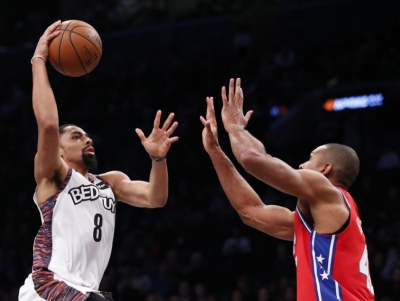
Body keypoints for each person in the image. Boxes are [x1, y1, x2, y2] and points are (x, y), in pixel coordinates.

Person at [19, 21, 179, 301]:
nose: (88, 140)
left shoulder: (111, 183)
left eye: (88, 136)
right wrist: (39, 59)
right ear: (58, 150)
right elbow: (47, 124)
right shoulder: (54, 176)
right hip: (49, 285)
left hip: (84, 290)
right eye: (77, 136)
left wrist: (157, 158)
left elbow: (156, 197)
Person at [200, 78, 375, 300]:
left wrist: (234, 128)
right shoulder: (320, 224)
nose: (302, 165)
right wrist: (215, 152)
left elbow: (252, 158)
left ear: (325, 169)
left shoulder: (328, 192)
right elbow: (251, 212)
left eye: (310, 158)